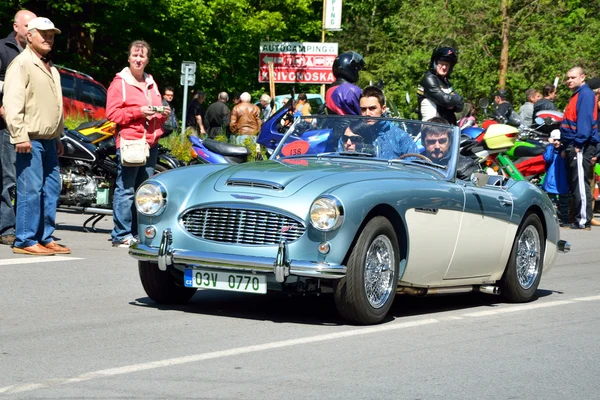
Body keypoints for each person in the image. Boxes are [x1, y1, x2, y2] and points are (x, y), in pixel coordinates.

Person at [4, 17, 69, 255]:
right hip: (30, 139)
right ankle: (24, 240)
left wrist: (58, 136)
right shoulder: (22, 64)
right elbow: (12, 102)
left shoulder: (49, 66)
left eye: (51, 34)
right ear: (29, 36)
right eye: (44, 33)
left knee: (51, 189)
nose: (49, 38)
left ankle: (44, 237)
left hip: (49, 140)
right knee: (30, 189)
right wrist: (20, 135)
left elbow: (53, 105)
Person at [106, 40, 170, 247]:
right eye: (135, 55)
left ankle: (138, 232)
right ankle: (121, 234)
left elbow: (155, 110)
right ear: (128, 58)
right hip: (131, 142)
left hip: (150, 143)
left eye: (142, 56)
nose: (138, 59)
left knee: (144, 190)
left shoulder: (151, 82)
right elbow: (112, 114)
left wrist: (163, 115)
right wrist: (138, 112)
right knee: (126, 189)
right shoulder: (120, 83)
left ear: (147, 59)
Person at [0, 9, 36, 246]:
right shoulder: (3, 49)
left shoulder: (35, 53)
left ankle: (25, 227)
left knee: (25, 179)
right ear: (16, 27)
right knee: (8, 178)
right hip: (6, 126)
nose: (32, 31)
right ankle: (6, 228)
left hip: (29, 125)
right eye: (28, 26)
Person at [559, 66, 599, 230]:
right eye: (568, 78)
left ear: (583, 77)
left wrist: (578, 144)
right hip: (572, 144)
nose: (569, 80)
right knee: (575, 183)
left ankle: (583, 220)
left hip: (580, 145)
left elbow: (585, 122)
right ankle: (577, 218)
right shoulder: (576, 95)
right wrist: (564, 145)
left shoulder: (585, 94)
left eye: (573, 77)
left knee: (581, 184)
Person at [359, 86, 418, 158]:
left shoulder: (400, 137)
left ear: (383, 109)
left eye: (372, 108)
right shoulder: (352, 134)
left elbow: (412, 165)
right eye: (363, 109)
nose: (367, 113)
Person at [417, 46, 463, 124]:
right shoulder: (429, 78)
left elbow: (460, 106)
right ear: (435, 63)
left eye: (447, 65)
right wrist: (455, 100)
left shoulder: (445, 82)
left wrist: (455, 101)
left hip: (446, 127)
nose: (444, 67)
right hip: (432, 129)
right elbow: (446, 100)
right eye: (441, 64)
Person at [542, 130, 570, 227]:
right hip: (551, 182)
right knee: (551, 203)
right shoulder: (550, 150)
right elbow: (548, 158)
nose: (557, 142)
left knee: (564, 204)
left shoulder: (565, 151)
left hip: (563, 182)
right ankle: (551, 221)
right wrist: (550, 145)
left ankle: (565, 220)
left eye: (559, 140)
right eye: (554, 140)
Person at [326, 51, 364, 115]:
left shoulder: (329, 90)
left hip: (333, 124)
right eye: (356, 69)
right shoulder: (352, 90)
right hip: (353, 124)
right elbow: (364, 114)